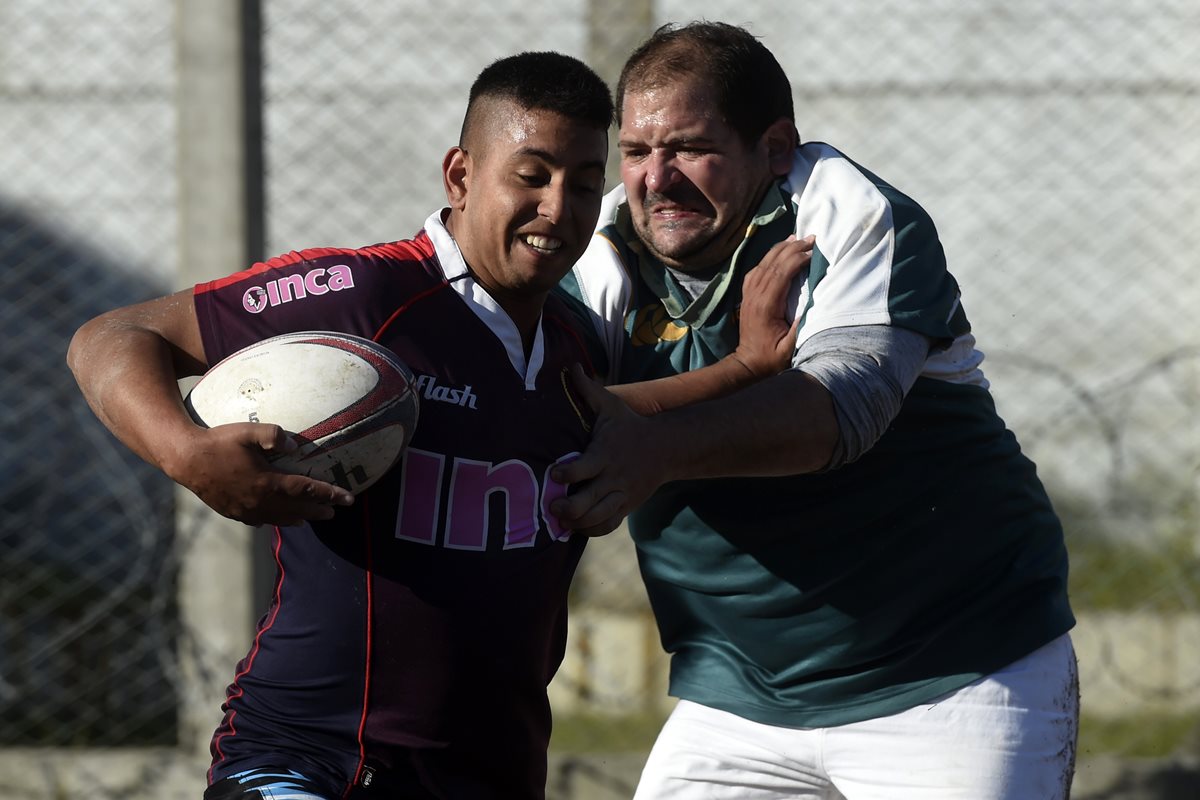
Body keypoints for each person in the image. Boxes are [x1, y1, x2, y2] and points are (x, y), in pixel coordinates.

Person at [551, 21, 1079, 800]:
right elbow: (548, 412)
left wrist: (656, 447)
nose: (655, 180)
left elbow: (843, 411)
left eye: (690, 147)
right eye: (635, 152)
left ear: (774, 147)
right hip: (739, 698)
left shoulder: (846, 211)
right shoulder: (597, 251)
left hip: (954, 670)